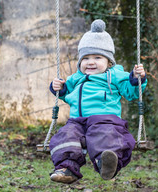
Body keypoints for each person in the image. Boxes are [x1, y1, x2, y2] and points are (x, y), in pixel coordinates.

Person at [48, 19, 147, 184]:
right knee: (65, 135)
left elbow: (130, 92)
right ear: (80, 62)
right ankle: (67, 168)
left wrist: (136, 79)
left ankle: (107, 162)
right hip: (77, 122)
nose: (90, 62)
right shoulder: (76, 78)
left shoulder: (114, 75)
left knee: (106, 136)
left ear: (109, 62)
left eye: (97, 57)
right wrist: (58, 88)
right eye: (85, 58)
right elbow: (66, 94)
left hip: (105, 119)